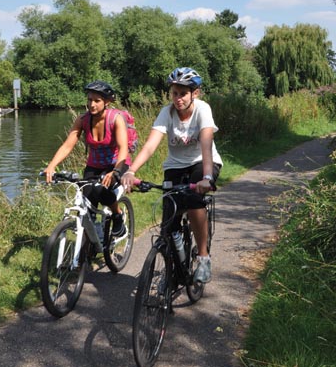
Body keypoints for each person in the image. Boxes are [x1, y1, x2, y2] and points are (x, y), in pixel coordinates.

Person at [121, 67, 222, 282]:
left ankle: (203, 257)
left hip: (202, 163)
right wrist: (131, 171)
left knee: (194, 203)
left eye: (183, 93)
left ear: (195, 93)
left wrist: (207, 178)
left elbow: (206, 143)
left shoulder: (202, 110)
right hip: (175, 166)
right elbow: (149, 146)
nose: (178, 99)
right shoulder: (166, 113)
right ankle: (174, 268)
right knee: (169, 223)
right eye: (174, 93)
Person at [44, 80, 130, 237]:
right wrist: (51, 166)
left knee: (101, 190)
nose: (92, 104)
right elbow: (67, 146)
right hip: (94, 165)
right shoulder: (83, 120)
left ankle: (117, 215)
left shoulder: (115, 118)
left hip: (116, 163)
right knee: (86, 199)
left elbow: (123, 147)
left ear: (107, 102)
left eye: (97, 101)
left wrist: (116, 171)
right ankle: (88, 248)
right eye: (89, 99)